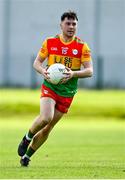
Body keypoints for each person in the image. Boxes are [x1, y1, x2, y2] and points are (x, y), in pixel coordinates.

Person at [18, 10, 93, 166]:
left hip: (68, 93)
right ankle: (27, 137)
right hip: (50, 87)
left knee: (48, 128)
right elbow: (37, 63)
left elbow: (90, 71)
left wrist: (73, 74)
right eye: (68, 23)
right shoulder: (50, 42)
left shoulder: (81, 46)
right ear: (61, 25)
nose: (71, 27)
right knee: (46, 117)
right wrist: (43, 71)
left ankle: (27, 157)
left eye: (74, 24)